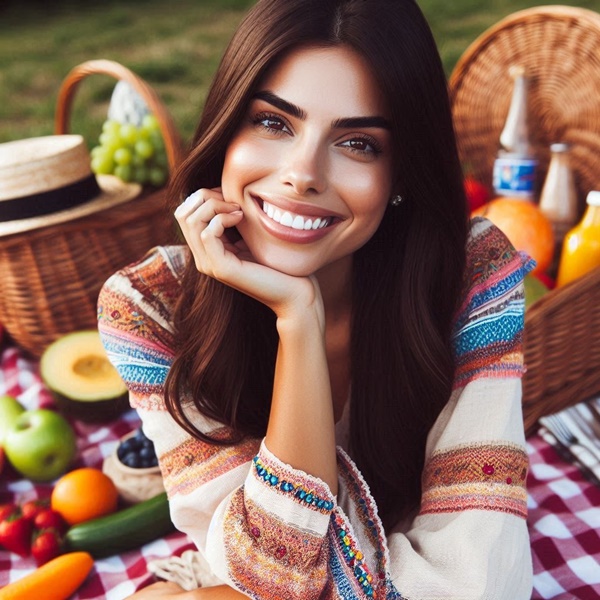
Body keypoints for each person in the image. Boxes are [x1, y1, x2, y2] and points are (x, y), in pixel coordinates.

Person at [98, 0, 534, 597]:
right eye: (273, 123)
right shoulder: (150, 307)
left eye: (357, 142)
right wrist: (298, 320)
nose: (303, 174)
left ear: (401, 173)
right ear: (226, 132)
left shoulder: (471, 277)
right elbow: (270, 574)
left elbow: (482, 582)